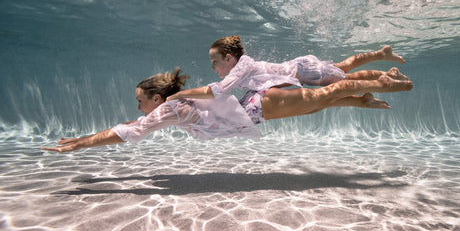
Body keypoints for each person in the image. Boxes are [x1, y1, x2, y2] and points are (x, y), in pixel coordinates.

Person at [42, 66, 413, 153]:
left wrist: (82, 145)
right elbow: (135, 123)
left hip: (257, 105)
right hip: (256, 106)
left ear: (156, 99)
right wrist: (87, 136)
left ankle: (383, 81)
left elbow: (131, 131)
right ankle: (361, 98)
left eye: (141, 99)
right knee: (318, 105)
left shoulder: (167, 109)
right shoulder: (168, 108)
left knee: (320, 97)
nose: (138, 106)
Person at [166, 36, 408, 109]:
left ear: (229, 58)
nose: (213, 68)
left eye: (214, 62)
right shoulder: (242, 68)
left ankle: (383, 79)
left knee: (348, 77)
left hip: (306, 72)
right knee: (344, 68)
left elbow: (219, 89)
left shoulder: (242, 65)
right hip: (303, 68)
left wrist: (180, 95)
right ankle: (381, 53)